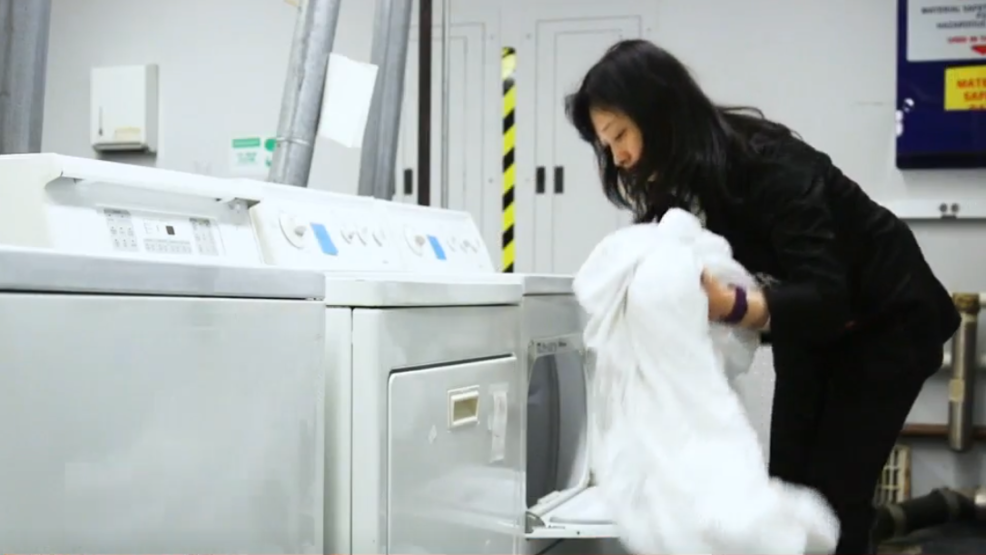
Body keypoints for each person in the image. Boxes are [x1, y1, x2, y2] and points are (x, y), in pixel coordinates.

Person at [565, 39, 960, 555]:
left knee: (838, 495)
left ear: (660, 113)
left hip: (889, 320)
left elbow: (826, 293)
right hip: (809, 326)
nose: (619, 158)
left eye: (620, 135)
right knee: (787, 488)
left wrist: (730, 305)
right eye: (606, 145)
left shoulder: (773, 166)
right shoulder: (681, 184)